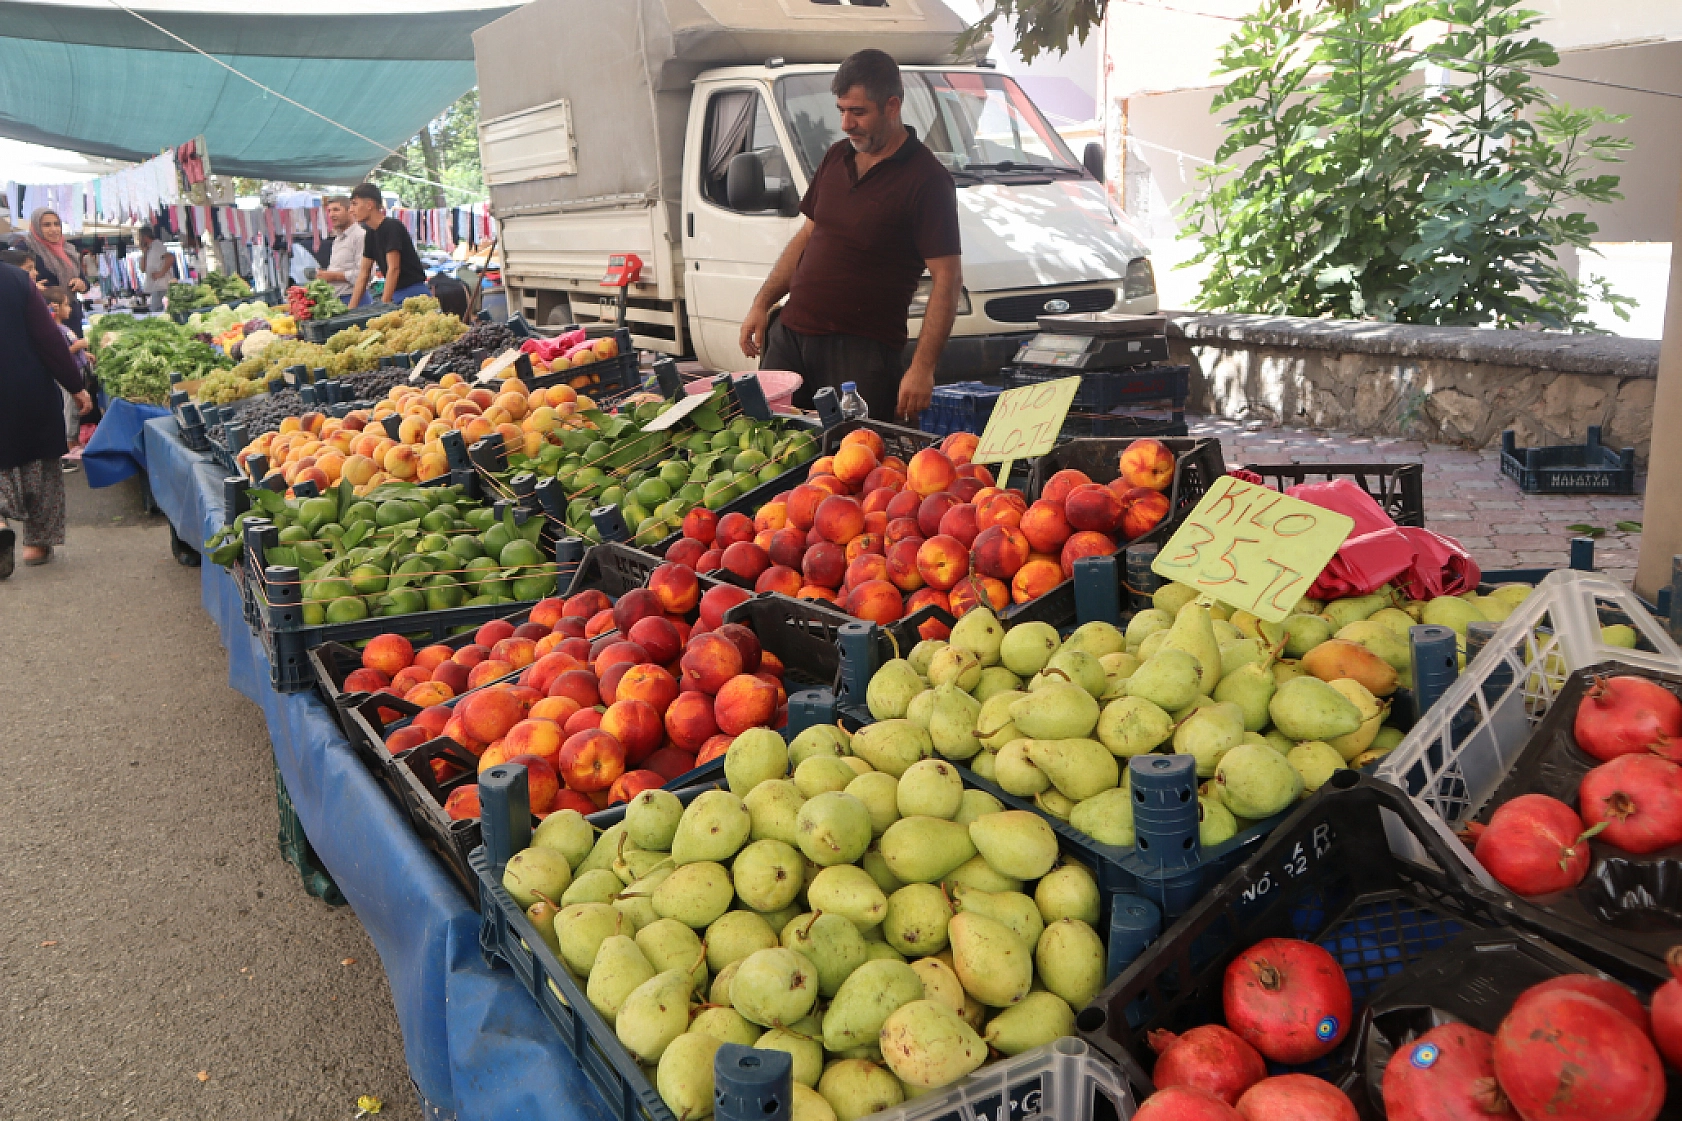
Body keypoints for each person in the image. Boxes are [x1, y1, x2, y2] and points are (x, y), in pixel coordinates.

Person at [740, 49, 962, 424]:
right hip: (791, 334)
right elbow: (808, 235)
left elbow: (948, 278)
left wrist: (923, 368)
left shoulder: (928, 179)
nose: (846, 124)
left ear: (892, 106)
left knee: (850, 463)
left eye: (858, 112)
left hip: (861, 352)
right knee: (768, 446)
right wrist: (762, 303)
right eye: (841, 109)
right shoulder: (835, 157)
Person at [0, 262, 92, 575]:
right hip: (25, 388)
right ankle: (35, 545)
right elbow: (48, 338)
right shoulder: (16, 279)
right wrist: (76, 386)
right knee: (38, 466)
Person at [348, 183, 430, 308]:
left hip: (414, 293)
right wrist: (350, 310)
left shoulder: (392, 227)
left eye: (355, 204)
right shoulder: (371, 233)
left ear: (369, 205)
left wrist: (384, 306)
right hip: (396, 294)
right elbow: (364, 274)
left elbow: (394, 269)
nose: (351, 210)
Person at [24, 208, 90, 337]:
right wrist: (31, 286)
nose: (54, 229)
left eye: (57, 224)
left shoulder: (68, 250)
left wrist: (81, 284)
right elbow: (14, 281)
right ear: (36, 227)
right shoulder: (26, 250)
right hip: (44, 317)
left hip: (71, 315)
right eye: (46, 225)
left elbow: (85, 282)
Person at [317, 196, 366, 304]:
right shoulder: (338, 238)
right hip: (338, 299)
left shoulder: (360, 236)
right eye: (329, 211)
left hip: (356, 300)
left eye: (336, 210)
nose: (331, 215)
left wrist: (333, 276)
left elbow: (365, 274)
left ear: (350, 211)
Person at [138, 225, 172, 313]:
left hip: (161, 287)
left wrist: (161, 273)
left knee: (156, 312)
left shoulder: (157, 245)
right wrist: (144, 253)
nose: (138, 240)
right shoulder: (148, 250)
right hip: (155, 288)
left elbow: (170, 258)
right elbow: (142, 269)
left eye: (139, 237)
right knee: (156, 311)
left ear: (144, 237)